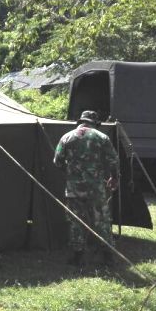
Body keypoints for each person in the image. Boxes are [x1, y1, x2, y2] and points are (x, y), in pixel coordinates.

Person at [53, 111, 119, 267]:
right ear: (95, 123)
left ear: (80, 122)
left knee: (76, 222)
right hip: (96, 188)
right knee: (101, 221)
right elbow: (113, 161)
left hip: (74, 189)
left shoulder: (66, 137)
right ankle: (108, 257)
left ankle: (77, 257)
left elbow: (57, 161)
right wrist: (114, 178)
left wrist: (71, 173)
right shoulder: (102, 138)